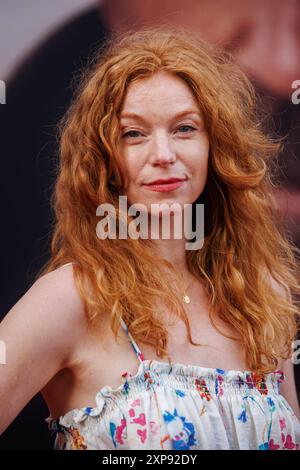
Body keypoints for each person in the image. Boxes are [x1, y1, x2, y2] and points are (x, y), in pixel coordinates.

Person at [1, 26, 300, 450]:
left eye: (184, 129)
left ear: (217, 147)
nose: (163, 154)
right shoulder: (71, 298)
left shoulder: (262, 295)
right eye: (134, 134)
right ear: (104, 160)